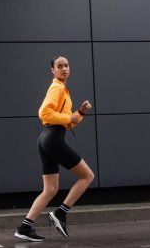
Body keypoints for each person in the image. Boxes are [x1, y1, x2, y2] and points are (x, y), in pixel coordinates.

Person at [14, 55, 94, 242]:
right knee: (87, 176)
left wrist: (80, 113)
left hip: (46, 138)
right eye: (60, 66)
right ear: (53, 70)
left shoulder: (63, 90)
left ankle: (25, 227)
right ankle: (60, 213)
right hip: (52, 140)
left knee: (50, 189)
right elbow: (44, 112)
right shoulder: (57, 88)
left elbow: (66, 122)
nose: (64, 69)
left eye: (66, 65)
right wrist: (68, 119)